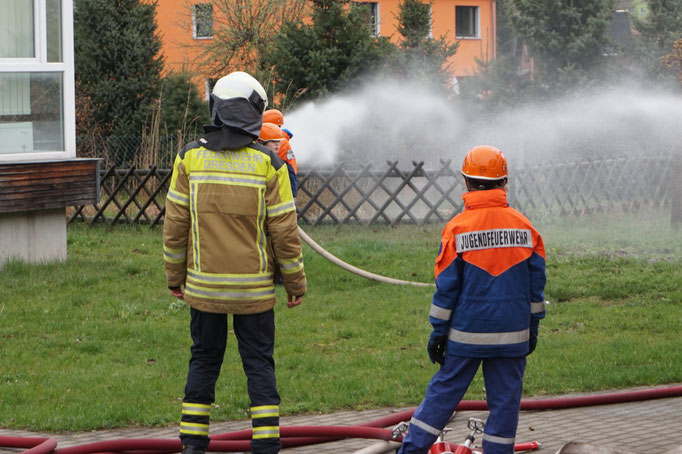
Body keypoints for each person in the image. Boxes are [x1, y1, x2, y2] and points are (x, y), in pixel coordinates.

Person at [163, 71, 307, 454]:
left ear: (217, 108)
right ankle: (265, 445)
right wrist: (295, 284)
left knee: (204, 360)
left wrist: (175, 277)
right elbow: (285, 235)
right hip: (254, 292)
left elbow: (175, 226)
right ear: (255, 112)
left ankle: (193, 443)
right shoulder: (269, 164)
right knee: (259, 364)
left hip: (204, 289)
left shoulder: (189, 158)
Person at [398, 146, 547, 454]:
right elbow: (536, 289)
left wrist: (439, 332)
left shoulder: (457, 229)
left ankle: (410, 450)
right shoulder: (525, 227)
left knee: (441, 398)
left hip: (465, 337)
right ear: (504, 183)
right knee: (505, 407)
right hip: (512, 337)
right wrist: (531, 330)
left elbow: (447, 290)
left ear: (465, 182)